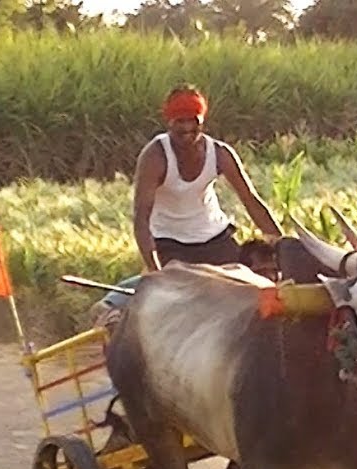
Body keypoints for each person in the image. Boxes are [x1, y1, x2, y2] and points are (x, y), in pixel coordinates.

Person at [91, 84, 282, 323]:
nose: (187, 128)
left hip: (216, 240)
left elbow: (251, 201)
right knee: (169, 292)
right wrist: (155, 270)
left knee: (249, 287)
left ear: (202, 120)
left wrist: (284, 249)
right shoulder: (155, 157)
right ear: (168, 122)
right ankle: (110, 305)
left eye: (193, 121)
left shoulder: (221, 153)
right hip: (171, 244)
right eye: (179, 122)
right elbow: (142, 217)